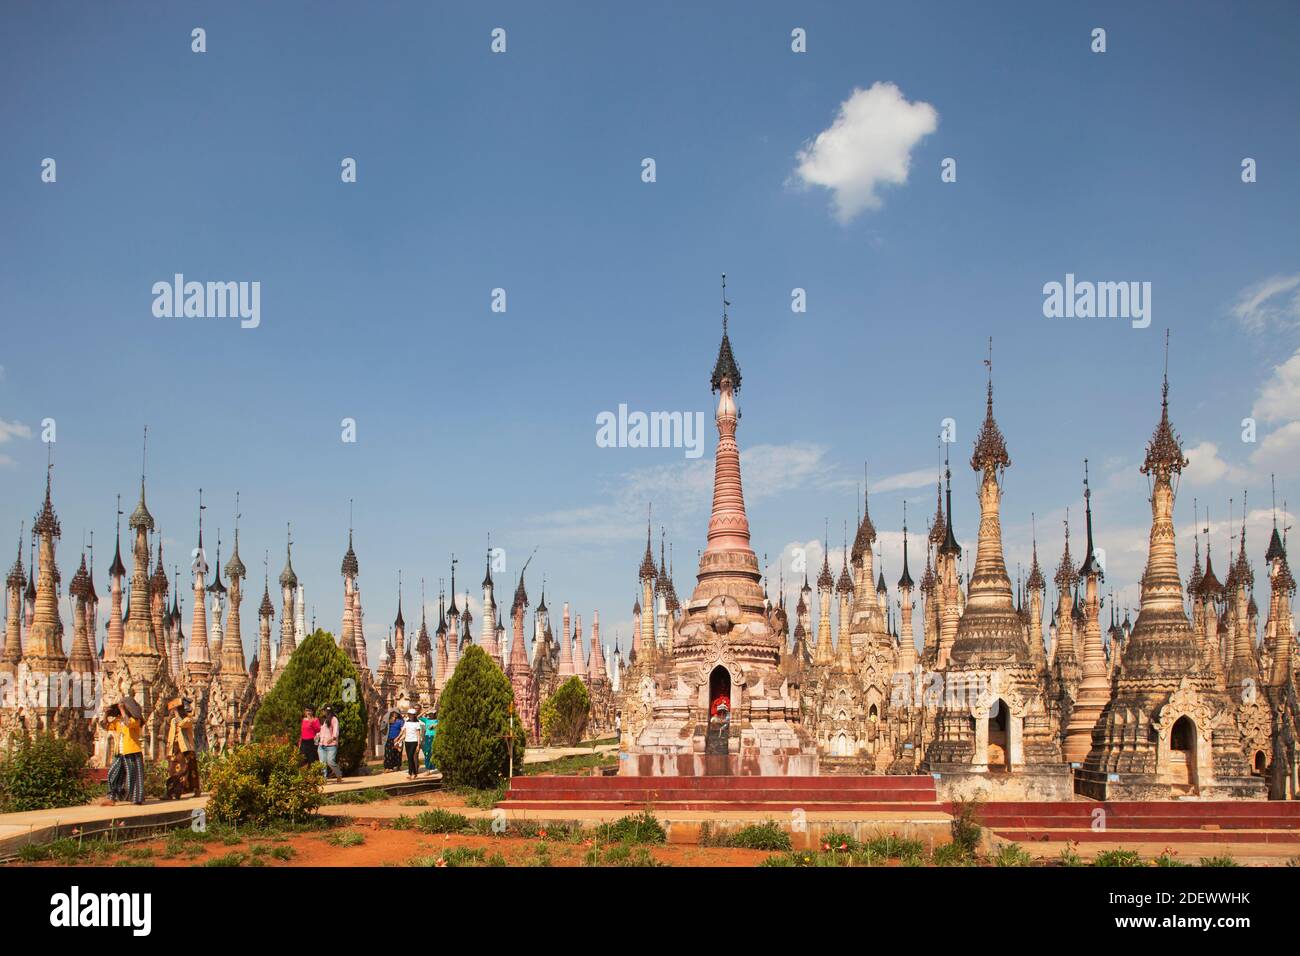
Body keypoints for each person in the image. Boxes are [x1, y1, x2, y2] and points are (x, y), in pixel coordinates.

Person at [103, 700, 145, 805]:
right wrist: (106, 714)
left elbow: (128, 723)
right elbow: (105, 727)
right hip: (119, 752)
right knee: (113, 773)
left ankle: (136, 799)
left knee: (133, 775)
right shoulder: (118, 721)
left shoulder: (135, 720)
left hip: (132, 751)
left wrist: (122, 709)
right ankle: (112, 797)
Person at [164, 698, 201, 799]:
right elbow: (171, 735)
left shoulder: (188, 719)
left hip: (186, 749)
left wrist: (176, 713)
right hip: (175, 749)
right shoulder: (173, 720)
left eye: (179, 710)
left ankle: (193, 791)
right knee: (172, 770)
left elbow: (182, 724)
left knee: (188, 771)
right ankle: (171, 792)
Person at [317, 705, 344, 783]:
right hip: (322, 745)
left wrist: (333, 738)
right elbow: (323, 732)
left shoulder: (334, 719)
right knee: (322, 763)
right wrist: (317, 735)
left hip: (331, 745)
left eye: (324, 710)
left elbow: (336, 730)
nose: (323, 712)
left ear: (327, 711)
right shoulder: (324, 720)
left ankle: (338, 774)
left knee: (330, 761)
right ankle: (323, 779)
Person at [400, 708, 424, 779]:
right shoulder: (406, 722)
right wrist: (398, 739)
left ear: (414, 715)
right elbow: (403, 732)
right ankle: (413, 773)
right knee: (409, 758)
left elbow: (418, 735)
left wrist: (418, 745)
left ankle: (412, 773)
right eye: (409, 714)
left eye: (411, 715)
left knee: (410, 757)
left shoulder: (417, 723)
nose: (410, 716)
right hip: (407, 742)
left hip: (414, 742)